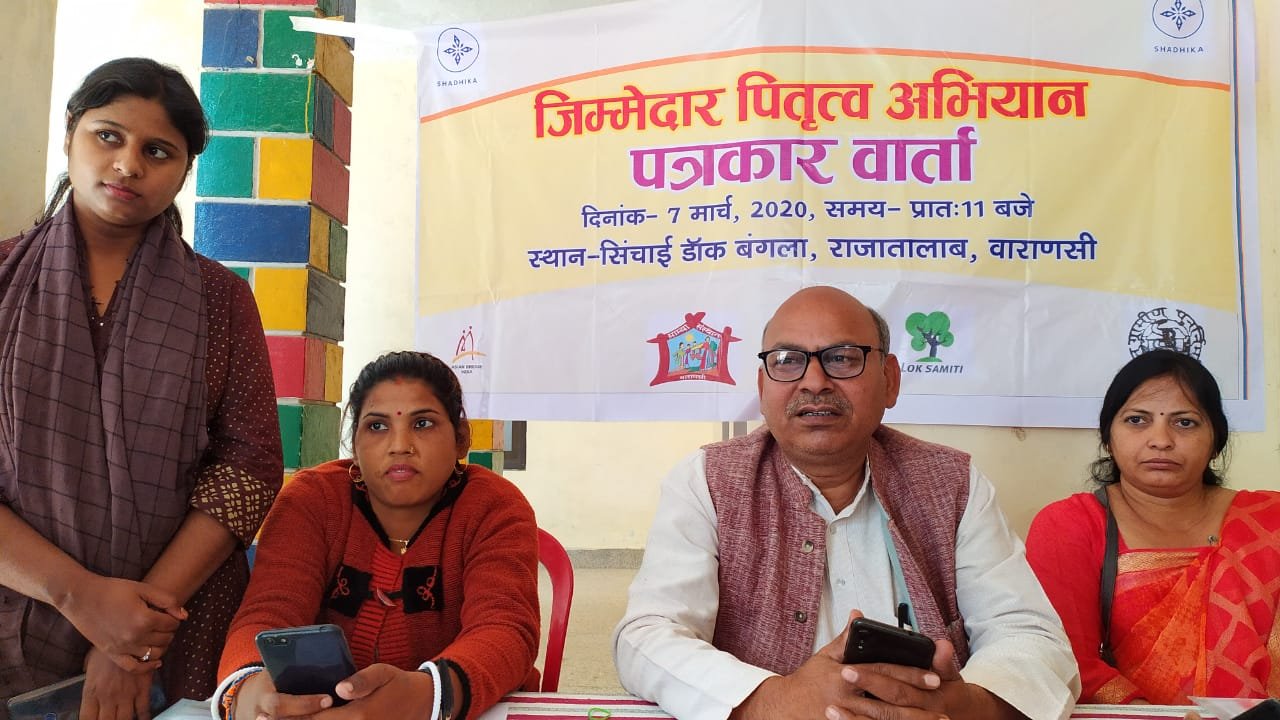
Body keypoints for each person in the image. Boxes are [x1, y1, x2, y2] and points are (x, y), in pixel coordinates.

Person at [613, 286, 1080, 720]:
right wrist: (773, 700)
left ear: (889, 380)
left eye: (841, 358)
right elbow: (649, 634)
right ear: (762, 386)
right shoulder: (707, 480)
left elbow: (1029, 634)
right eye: (787, 361)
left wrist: (962, 704)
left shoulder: (952, 483)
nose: (814, 382)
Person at [0, 57, 282, 719]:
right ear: (70, 132)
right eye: (108, 136)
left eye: (158, 151)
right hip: (16, 610)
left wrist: (136, 637)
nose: (128, 165)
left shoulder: (221, 300)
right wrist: (80, 597)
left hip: (176, 628)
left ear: (183, 171)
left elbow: (248, 469)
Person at [214, 351, 540, 720]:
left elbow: (505, 629)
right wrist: (248, 687)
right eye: (377, 426)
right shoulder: (312, 501)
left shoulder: (494, 506)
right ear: (355, 445)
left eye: (423, 424)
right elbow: (267, 614)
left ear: (461, 440)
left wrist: (428, 696)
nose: (400, 445)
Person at [1026, 349, 1280, 704]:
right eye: (1137, 420)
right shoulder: (1070, 524)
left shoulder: (1270, 520)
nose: (1161, 440)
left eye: (1185, 422)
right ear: (1108, 438)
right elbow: (1064, 660)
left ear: (1216, 441)